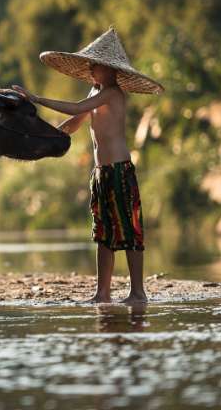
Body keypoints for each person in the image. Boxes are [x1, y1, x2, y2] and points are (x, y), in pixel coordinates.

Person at [13, 28, 163, 304]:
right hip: (100, 173)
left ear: (110, 69)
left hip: (119, 170)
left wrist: (37, 99)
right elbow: (76, 120)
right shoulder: (96, 90)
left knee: (129, 230)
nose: (90, 68)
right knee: (102, 233)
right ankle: (102, 292)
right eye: (90, 64)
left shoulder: (113, 93)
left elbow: (75, 107)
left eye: (95, 65)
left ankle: (137, 292)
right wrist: (50, 138)